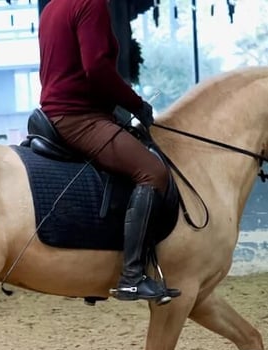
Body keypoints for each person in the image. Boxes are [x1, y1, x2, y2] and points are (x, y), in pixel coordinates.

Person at [38, 0, 179, 302]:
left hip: (62, 111)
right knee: (152, 173)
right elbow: (96, 69)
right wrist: (135, 103)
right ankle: (131, 277)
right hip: (79, 116)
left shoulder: (53, 6)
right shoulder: (90, 4)